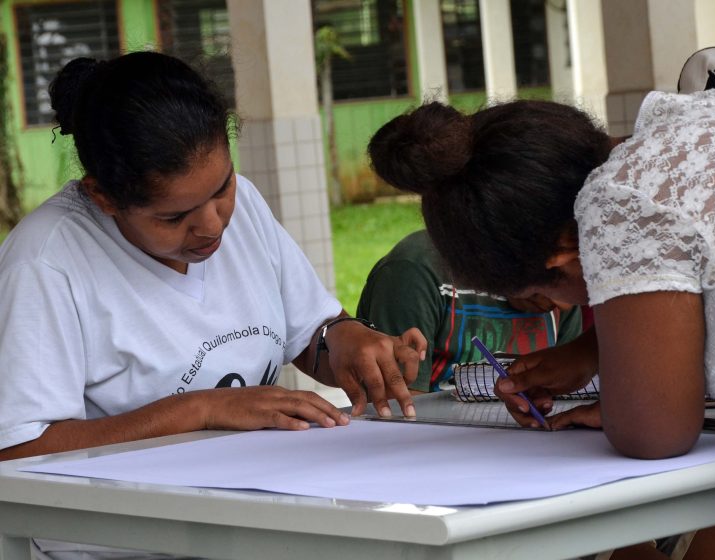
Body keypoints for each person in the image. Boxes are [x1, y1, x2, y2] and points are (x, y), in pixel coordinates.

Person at [366, 88, 715, 554]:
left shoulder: (613, 208)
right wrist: (594, 353)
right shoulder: (697, 118)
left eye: (539, 293)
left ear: (564, 252)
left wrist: (629, 401)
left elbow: (655, 435)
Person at [0, 53, 427, 460]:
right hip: (123, 532)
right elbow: (18, 449)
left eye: (222, 187)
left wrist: (347, 341)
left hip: (262, 498)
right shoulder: (45, 262)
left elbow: (310, 332)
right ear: (104, 197)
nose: (213, 224)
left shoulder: (245, 208)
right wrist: (199, 410)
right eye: (174, 216)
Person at [356, 229, 583, 394]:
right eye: (551, 277)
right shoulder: (416, 271)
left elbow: (568, 394)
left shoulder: (569, 285)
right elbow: (398, 412)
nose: (563, 305)